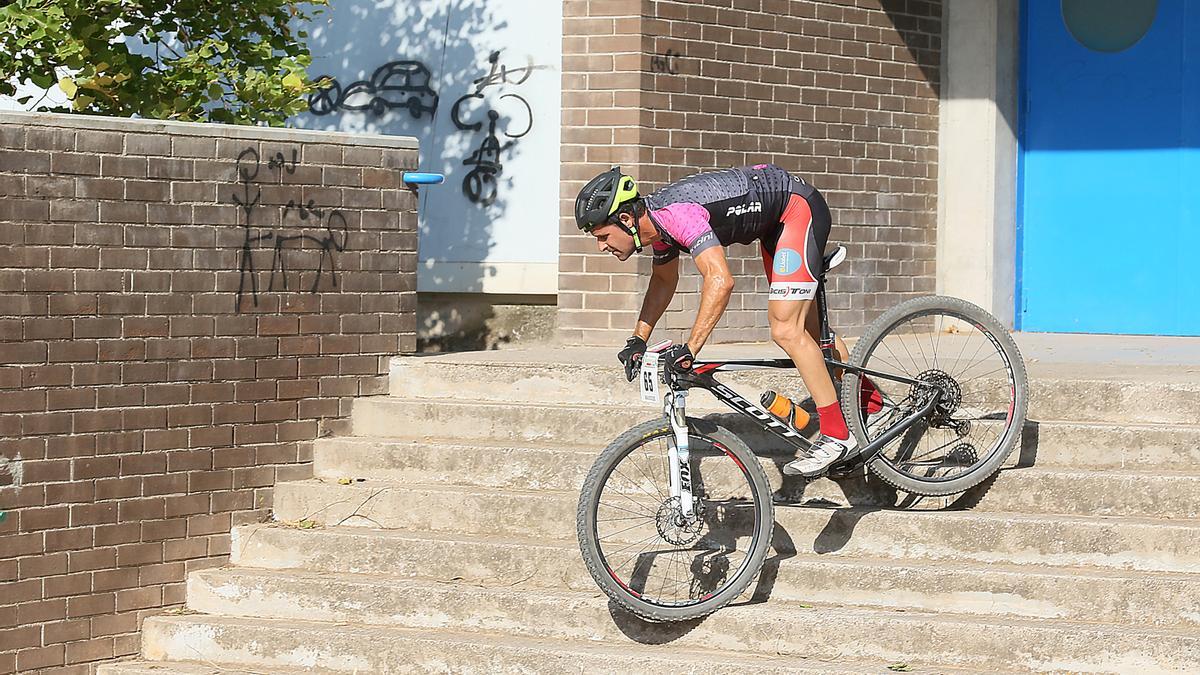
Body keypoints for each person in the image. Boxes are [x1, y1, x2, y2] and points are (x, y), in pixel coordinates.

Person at [574, 164, 881, 477]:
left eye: (602, 236)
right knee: (810, 336)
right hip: (774, 226)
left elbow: (721, 280)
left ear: (626, 220)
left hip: (796, 209)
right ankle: (870, 400)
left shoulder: (678, 216)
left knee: (786, 328)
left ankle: (837, 436)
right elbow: (664, 281)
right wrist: (637, 339)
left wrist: (691, 349)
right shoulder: (658, 228)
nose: (601, 246)